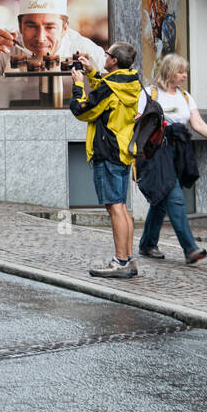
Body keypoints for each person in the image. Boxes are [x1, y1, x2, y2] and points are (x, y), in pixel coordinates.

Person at [135, 53, 207, 265]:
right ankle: (190, 248)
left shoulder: (185, 96)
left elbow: (198, 123)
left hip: (179, 151)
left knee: (161, 199)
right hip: (156, 152)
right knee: (174, 196)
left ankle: (147, 244)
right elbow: (138, 120)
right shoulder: (151, 93)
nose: (184, 75)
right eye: (180, 71)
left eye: (185, 71)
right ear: (169, 72)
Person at [70, 41, 142, 278]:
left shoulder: (110, 88)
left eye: (107, 54)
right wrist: (91, 72)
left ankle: (120, 261)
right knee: (121, 205)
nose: (104, 56)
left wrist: (78, 86)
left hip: (107, 150)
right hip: (123, 150)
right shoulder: (130, 80)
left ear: (114, 61)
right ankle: (128, 258)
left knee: (114, 207)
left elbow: (83, 110)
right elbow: (108, 88)